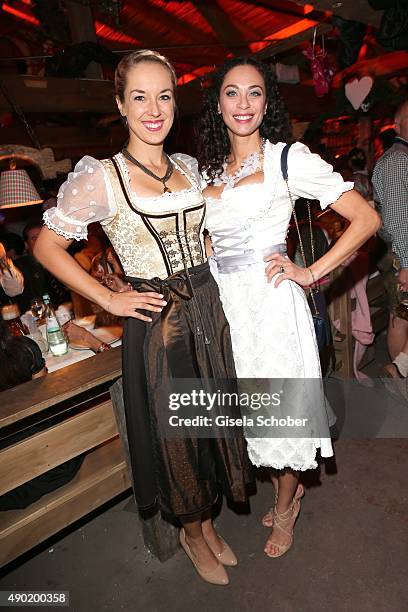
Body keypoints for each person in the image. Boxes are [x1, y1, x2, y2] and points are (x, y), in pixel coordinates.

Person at [34, 50, 252, 586]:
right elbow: (46, 247)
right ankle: (193, 531)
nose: (154, 109)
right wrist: (108, 301)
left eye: (164, 96)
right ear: (120, 104)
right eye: (139, 97)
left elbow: (205, 233)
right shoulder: (101, 178)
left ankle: (208, 520)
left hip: (207, 308)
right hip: (160, 321)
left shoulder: (187, 167)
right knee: (178, 435)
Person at [198, 56, 380, 558]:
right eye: (232, 92)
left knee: (285, 419)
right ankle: (288, 488)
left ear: (267, 103)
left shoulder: (286, 159)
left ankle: (286, 505)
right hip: (229, 309)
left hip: (274, 308)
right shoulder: (209, 170)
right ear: (217, 103)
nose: (243, 103)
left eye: (255, 93)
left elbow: (365, 219)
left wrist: (310, 273)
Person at [373, 101, 408, 394]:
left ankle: (400, 370)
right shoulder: (398, 160)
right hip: (402, 252)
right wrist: (406, 263)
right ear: (397, 125)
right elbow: (397, 216)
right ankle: (398, 375)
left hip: (401, 250)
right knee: (402, 314)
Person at [17, 220, 69, 312]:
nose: (39, 241)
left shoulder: (62, 259)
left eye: (42, 237)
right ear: (26, 245)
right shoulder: (21, 268)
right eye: (34, 238)